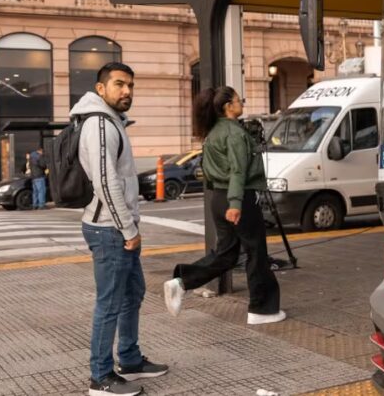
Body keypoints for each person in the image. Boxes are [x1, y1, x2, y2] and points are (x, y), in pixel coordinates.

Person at [72, 62, 167, 396]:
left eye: (130, 85)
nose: (126, 91)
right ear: (101, 89)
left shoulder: (111, 121)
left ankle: (129, 359)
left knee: (133, 293)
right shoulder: (99, 124)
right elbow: (106, 182)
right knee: (110, 303)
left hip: (119, 227)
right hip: (109, 230)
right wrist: (128, 230)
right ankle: (100, 377)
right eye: (119, 84)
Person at [163, 87, 284, 326]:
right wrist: (236, 203)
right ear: (228, 106)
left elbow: (208, 171)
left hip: (218, 197)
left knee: (227, 254)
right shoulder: (234, 133)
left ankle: (181, 282)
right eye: (239, 100)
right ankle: (262, 309)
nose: (243, 103)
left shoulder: (212, 133)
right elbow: (238, 171)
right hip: (237, 198)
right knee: (256, 252)